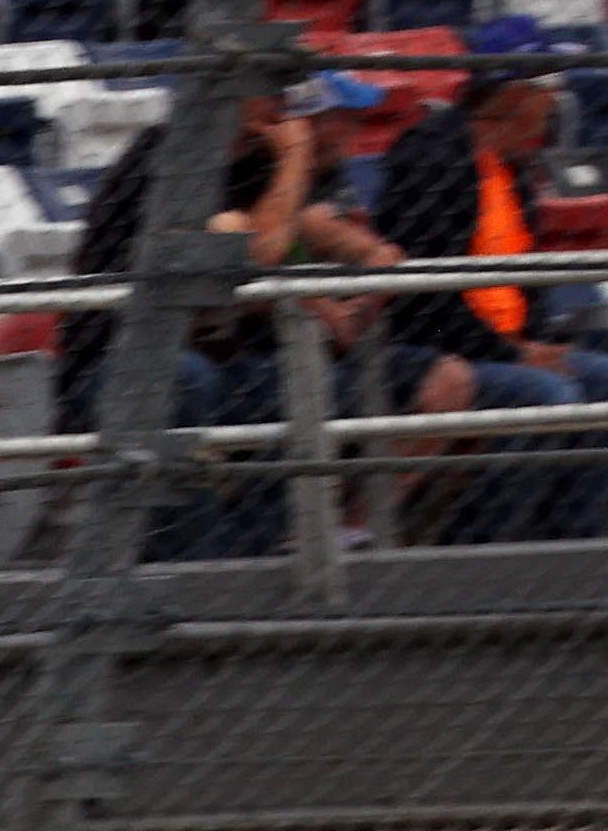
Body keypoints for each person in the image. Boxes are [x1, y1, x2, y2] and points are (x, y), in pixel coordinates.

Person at [63, 72, 409, 560]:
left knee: (324, 385)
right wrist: (295, 155)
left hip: (218, 365)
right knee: (188, 379)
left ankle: (243, 552)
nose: (281, 107)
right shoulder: (170, 153)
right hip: (115, 363)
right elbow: (259, 250)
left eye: (284, 98)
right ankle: (191, 564)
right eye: (270, 94)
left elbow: (290, 240)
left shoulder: (256, 164)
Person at [370, 43, 608, 544]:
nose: (556, 104)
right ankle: (480, 549)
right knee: (545, 396)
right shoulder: (433, 157)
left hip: (504, 346)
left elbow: (526, 285)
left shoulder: (511, 169)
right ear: (515, 96)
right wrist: (514, 353)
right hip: (438, 349)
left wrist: (531, 345)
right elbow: (425, 301)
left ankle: (568, 541)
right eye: (550, 91)